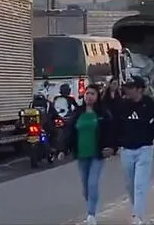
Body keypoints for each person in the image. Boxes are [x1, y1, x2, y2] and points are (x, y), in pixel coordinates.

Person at [115, 76, 154, 225]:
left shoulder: (149, 105)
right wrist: (112, 145)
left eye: (130, 88)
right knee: (130, 185)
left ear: (139, 89)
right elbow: (115, 126)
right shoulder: (122, 105)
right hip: (126, 150)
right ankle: (138, 213)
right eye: (126, 87)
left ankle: (139, 218)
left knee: (140, 185)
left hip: (144, 148)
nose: (127, 90)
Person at [60, 84, 116, 225]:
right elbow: (69, 133)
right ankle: (91, 208)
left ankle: (91, 215)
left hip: (97, 154)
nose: (89, 96)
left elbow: (111, 133)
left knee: (92, 184)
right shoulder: (78, 113)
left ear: (97, 97)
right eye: (87, 94)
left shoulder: (103, 114)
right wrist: (62, 149)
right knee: (85, 187)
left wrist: (112, 148)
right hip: (81, 154)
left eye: (92, 94)